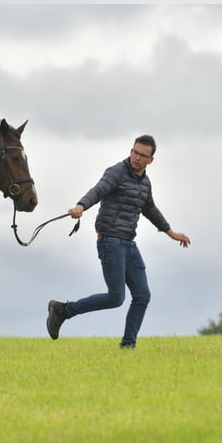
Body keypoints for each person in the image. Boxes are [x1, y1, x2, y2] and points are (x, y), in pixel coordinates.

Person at [46, 134, 190, 348]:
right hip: (110, 241)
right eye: (134, 152)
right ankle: (64, 310)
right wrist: (80, 206)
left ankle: (128, 345)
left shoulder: (145, 183)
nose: (136, 158)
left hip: (129, 244)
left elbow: (149, 209)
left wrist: (171, 233)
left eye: (142, 155)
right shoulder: (116, 172)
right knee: (116, 298)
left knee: (142, 295)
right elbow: (98, 190)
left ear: (150, 160)